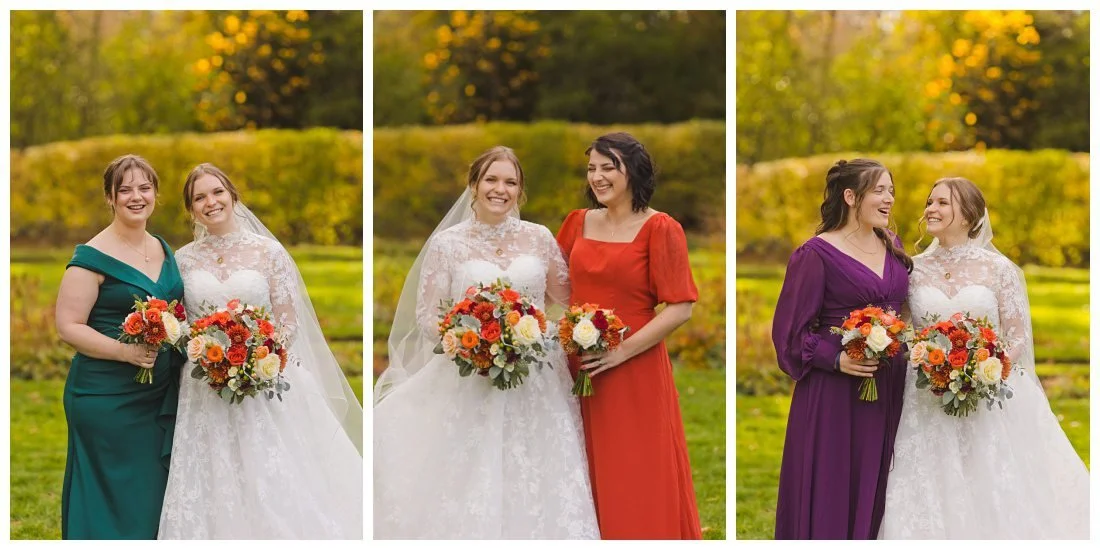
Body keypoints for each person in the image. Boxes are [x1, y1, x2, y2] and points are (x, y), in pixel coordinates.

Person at [373, 146, 599, 539]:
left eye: (511, 182)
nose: (501, 189)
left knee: (535, 464)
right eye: (491, 180)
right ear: (474, 186)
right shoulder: (449, 244)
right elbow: (428, 316)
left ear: (520, 191)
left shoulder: (539, 237)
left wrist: (547, 331)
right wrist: (468, 340)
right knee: (468, 467)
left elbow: (567, 298)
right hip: (470, 372)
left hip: (537, 376)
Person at [158, 163, 363, 539]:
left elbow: (288, 320)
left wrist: (257, 359)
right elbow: (181, 323)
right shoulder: (182, 260)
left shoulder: (268, 252)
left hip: (266, 379)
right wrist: (205, 354)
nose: (211, 202)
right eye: (199, 197)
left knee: (273, 469)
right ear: (191, 209)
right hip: (205, 384)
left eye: (217, 192)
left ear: (233, 195)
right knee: (215, 471)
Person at [879, 177, 1089, 539]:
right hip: (925, 394)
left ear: (969, 215)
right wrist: (926, 359)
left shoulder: (998, 270)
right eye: (930, 202)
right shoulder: (911, 269)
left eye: (942, 203)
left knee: (991, 472)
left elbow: (1018, 332)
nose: (931, 209)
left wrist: (984, 368)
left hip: (989, 391)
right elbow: (904, 327)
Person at [556, 132, 701, 539]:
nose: (597, 177)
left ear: (633, 172)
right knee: (581, 463)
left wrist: (622, 351)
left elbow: (680, 306)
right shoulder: (577, 222)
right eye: (592, 169)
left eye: (608, 168)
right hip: (577, 362)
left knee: (635, 465)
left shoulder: (661, 228)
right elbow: (550, 286)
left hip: (634, 365)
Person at [771, 159, 910, 539]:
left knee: (880, 483)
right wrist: (835, 359)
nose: (888, 199)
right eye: (879, 190)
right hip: (834, 394)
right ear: (851, 196)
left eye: (891, 191)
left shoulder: (892, 245)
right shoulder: (814, 254)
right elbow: (789, 333)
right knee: (834, 485)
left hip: (888, 387)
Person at [55, 154, 185, 539]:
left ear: (155, 194)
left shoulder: (163, 248)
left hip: (158, 394)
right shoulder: (90, 258)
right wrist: (125, 352)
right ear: (110, 198)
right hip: (105, 396)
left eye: (144, 188)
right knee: (110, 495)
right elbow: (68, 326)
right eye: (124, 189)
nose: (135, 196)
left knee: (149, 496)